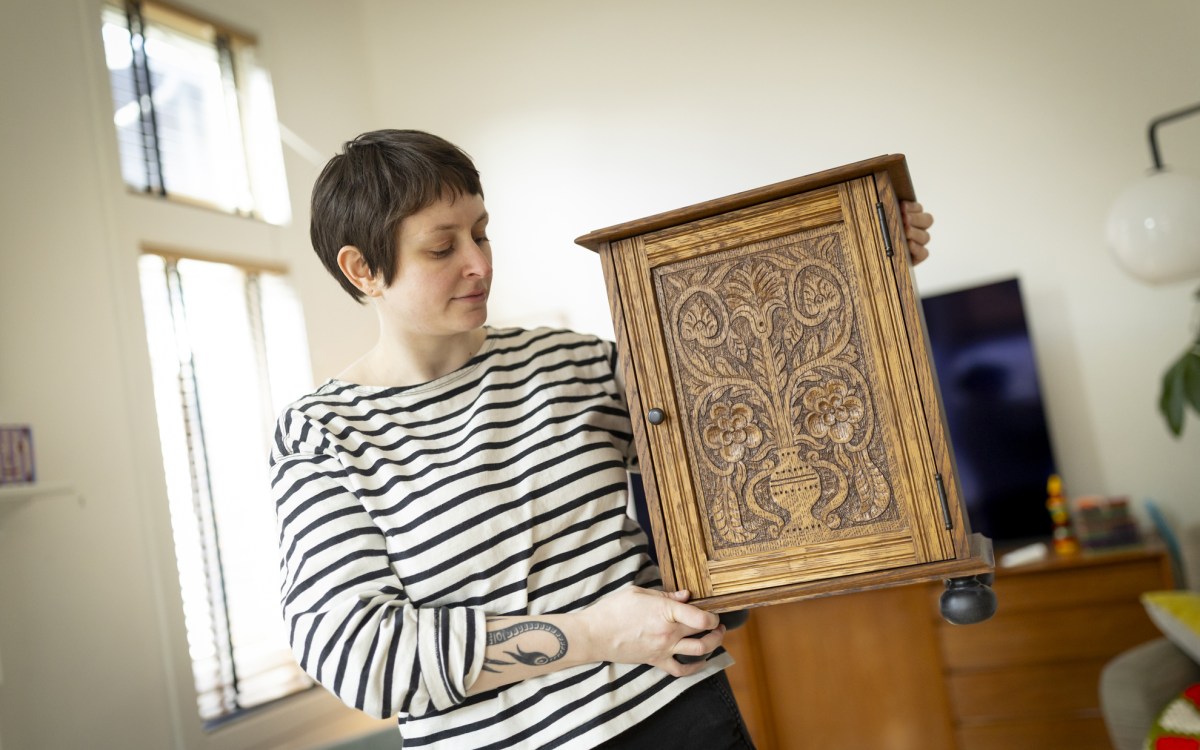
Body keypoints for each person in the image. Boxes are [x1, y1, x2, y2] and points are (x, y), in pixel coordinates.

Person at [269, 129, 934, 749]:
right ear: (362, 269)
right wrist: (598, 634)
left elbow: (754, 404)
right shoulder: (321, 435)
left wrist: (859, 258)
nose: (479, 263)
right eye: (442, 248)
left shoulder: (575, 364)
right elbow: (363, 659)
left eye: (482, 233)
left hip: (683, 718)